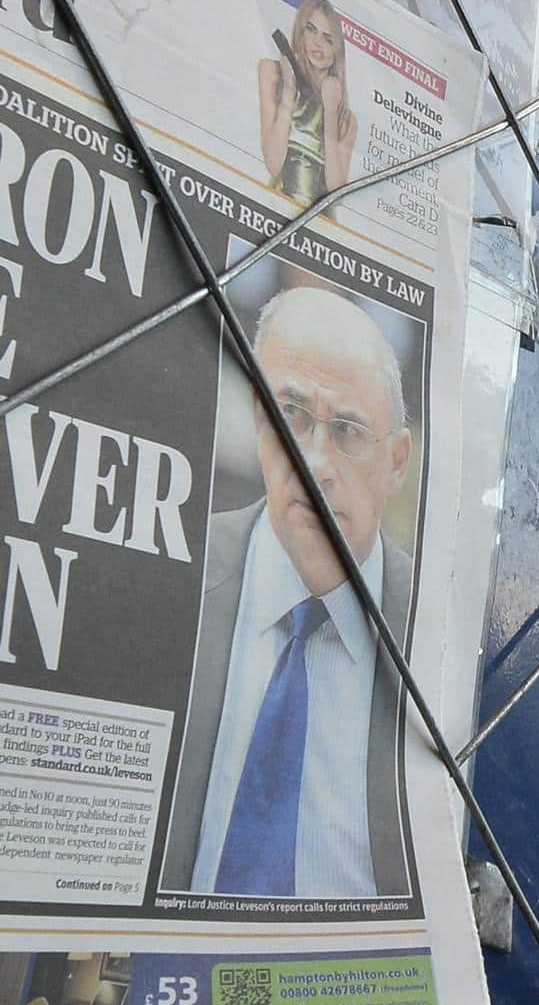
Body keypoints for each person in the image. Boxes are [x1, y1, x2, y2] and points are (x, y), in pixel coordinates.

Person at [158, 286, 414, 899]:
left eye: (349, 430)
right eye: (290, 415)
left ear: (397, 462)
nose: (313, 460)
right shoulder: (175, 564)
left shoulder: (438, 633)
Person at [258, 0, 357, 208]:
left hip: (321, 227)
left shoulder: (346, 119)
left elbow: (337, 194)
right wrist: (288, 93)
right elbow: (273, 164)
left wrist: (330, 112)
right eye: (311, 29)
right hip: (276, 209)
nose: (317, 43)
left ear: (336, 51)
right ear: (299, 31)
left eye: (328, 39)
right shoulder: (271, 73)